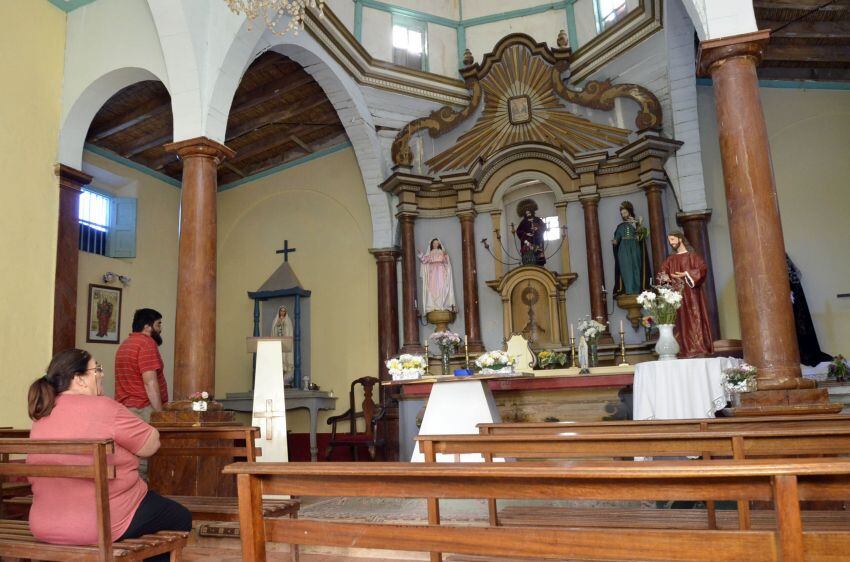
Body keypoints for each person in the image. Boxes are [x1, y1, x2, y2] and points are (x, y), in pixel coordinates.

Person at [27, 349, 191, 558]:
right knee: (178, 517)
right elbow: (151, 445)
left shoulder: (42, 414)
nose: (101, 374)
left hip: (44, 524)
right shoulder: (104, 407)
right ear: (79, 380)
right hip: (99, 525)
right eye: (97, 369)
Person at [659, 231, 713, 358]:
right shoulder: (670, 260)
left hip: (692, 295)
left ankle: (697, 349)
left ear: (680, 239)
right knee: (679, 322)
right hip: (676, 296)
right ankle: (681, 349)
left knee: (694, 319)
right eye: (669, 241)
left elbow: (702, 269)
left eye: (672, 240)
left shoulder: (693, 256)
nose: (671, 243)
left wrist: (686, 274)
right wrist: (665, 277)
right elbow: (662, 273)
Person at [115, 308, 168, 421]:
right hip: (144, 411)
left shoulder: (125, 344)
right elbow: (150, 383)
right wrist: (160, 415)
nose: (160, 329)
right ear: (147, 326)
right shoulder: (147, 343)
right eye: (158, 324)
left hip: (126, 410)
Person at [612, 201, 651, 295]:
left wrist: (638, 224)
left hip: (635, 247)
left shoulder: (636, 224)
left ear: (629, 212)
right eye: (622, 214)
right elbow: (617, 237)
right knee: (627, 269)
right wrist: (615, 241)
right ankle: (629, 290)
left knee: (636, 267)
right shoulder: (621, 226)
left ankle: (637, 290)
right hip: (623, 250)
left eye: (625, 212)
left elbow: (641, 235)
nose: (623, 215)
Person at [418, 238, 455, 313]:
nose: (435, 244)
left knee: (441, 286)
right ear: (432, 244)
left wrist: (445, 256)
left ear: (439, 244)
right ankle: (434, 305)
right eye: (434, 243)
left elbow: (446, 262)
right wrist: (421, 254)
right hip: (433, 272)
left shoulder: (441, 252)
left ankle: (441, 304)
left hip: (441, 271)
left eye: (437, 243)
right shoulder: (430, 253)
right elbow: (425, 260)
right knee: (432, 286)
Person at [515, 199, 547, 266]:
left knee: (539, 258)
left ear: (532, 211)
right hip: (528, 243)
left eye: (529, 212)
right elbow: (519, 231)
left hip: (538, 241)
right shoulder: (523, 222)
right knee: (529, 258)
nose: (528, 214)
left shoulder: (537, 220)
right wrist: (526, 234)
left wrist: (537, 228)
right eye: (526, 213)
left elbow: (544, 227)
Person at [271, 305, 295, 386]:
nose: (282, 312)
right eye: (281, 310)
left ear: (285, 312)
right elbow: (273, 332)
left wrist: (284, 327)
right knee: (278, 360)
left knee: (285, 359)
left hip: (285, 344)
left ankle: (285, 379)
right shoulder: (275, 321)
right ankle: (278, 378)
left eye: (284, 311)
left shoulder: (288, 321)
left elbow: (290, 331)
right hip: (277, 343)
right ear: (279, 311)